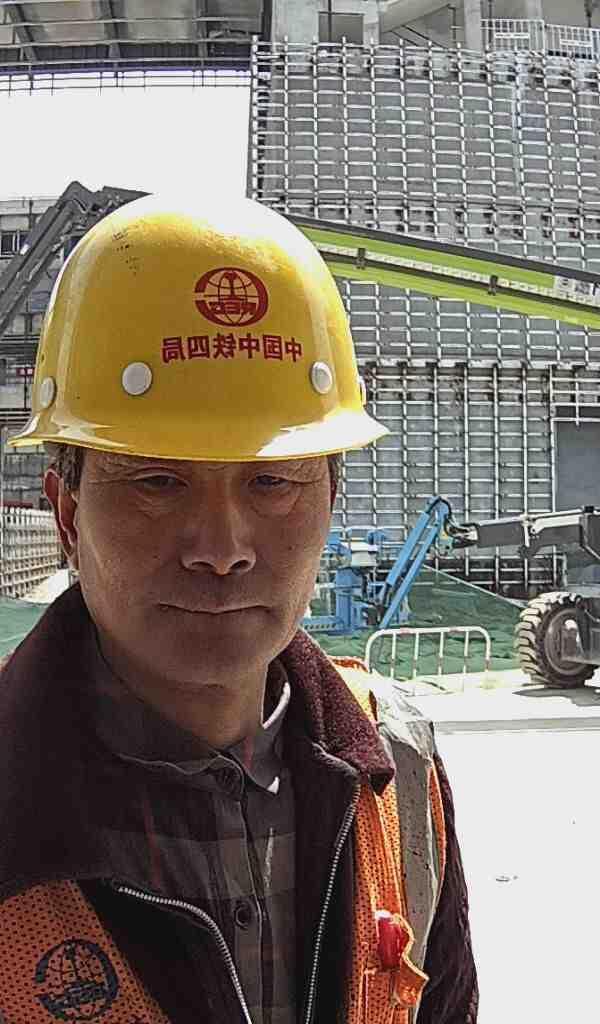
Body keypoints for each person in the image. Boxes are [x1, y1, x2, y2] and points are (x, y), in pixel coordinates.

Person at [0, 195, 477, 1024]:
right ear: (67, 514)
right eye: (157, 481)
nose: (222, 548)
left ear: (330, 502)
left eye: (271, 482)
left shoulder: (398, 766)